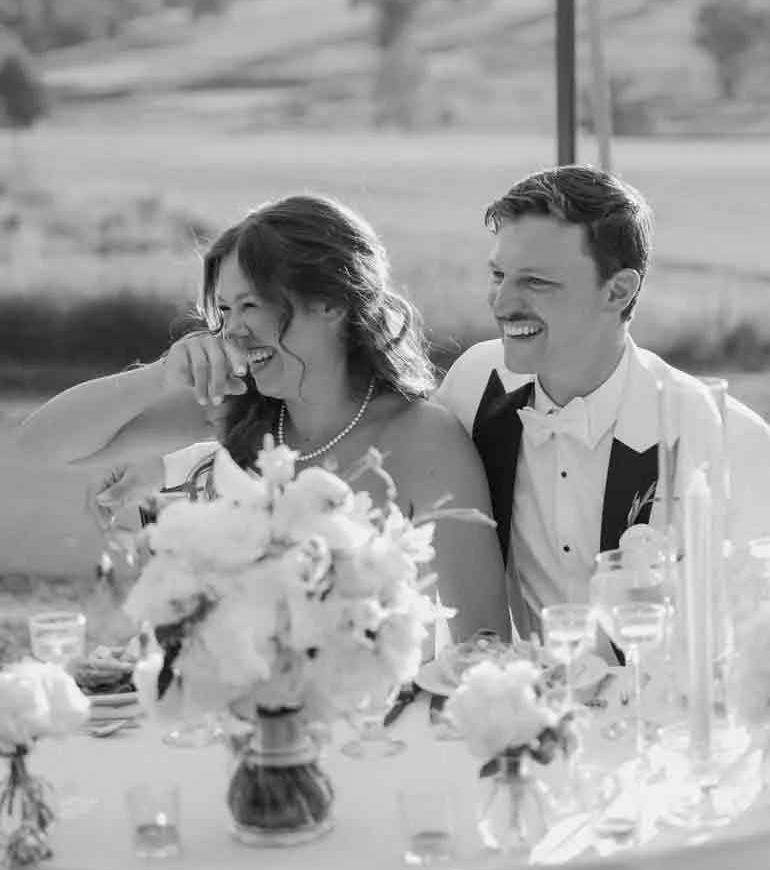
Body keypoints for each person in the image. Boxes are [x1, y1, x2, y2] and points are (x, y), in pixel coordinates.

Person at [7, 194, 510, 644]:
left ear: (330, 303)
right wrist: (158, 376)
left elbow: (482, 641)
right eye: (224, 309)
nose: (233, 332)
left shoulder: (425, 439)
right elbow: (38, 446)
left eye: (251, 305)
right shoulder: (232, 411)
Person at [435, 165, 770, 639]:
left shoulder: (728, 441)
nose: (502, 303)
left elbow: (759, 635)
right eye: (498, 275)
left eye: (535, 282)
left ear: (618, 291)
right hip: (522, 702)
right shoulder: (474, 386)